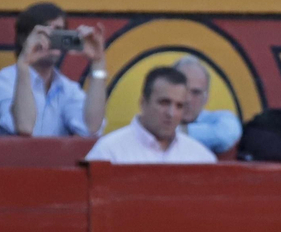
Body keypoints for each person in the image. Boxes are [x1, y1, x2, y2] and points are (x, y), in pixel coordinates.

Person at [0, 2, 107, 137]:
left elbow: (92, 128)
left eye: (58, 30)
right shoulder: (0, 82)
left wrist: (97, 62)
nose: (51, 37)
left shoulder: (67, 88)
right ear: (25, 39)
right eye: (45, 31)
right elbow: (25, 127)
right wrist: (24, 64)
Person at [84, 67, 215, 165]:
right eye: (164, 103)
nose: (171, 113)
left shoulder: (201, 157)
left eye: (179, 106)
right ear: (143, 103)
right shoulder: (109, 152)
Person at [173, 56, 241, 156]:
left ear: (206, 98)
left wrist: (176, 132)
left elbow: (227, 133)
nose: (188, 99)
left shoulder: (217, 120)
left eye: (196, 92)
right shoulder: (153, 118)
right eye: (183, 90)